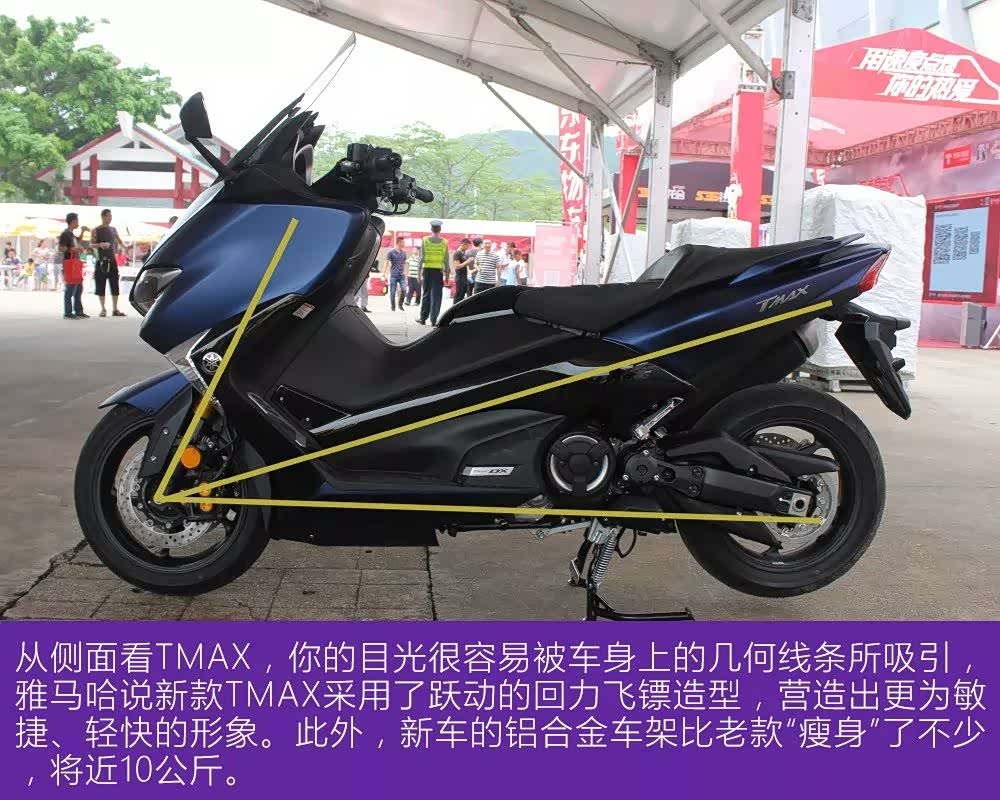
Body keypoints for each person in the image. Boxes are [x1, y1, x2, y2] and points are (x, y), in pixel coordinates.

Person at [90, 208, 127, 316]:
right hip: (101, 260)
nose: (110, 218)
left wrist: (126, 247)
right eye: (108, 216)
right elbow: (91, 244)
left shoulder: (113, 229)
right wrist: (100, 245)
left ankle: (115, 309)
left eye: (111, 216)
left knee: (115, 284)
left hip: (112, 260)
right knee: (100, 284)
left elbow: (119, 241)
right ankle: (103, 309)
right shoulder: (96, 230)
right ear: (103, 217)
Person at [417, 219, 449, 326]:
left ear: (431, 229)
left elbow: (421, 258)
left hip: (427, 271)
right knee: (436, 296)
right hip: (438, 272)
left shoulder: (425, 240)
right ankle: (433, 320)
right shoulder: (444, 242)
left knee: (426, 294)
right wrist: (447, 276)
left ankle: (423, 318)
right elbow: (446, 260)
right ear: (440, 229)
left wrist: (418, 274)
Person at [58, 212, 87, 319]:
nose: (78, 222)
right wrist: (73, 249)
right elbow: (61, 248)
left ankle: (78, 310)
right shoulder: (65, 234)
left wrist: (82, 232)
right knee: (70, 287)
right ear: (73, 221)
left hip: (75, 263)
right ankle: (68, 312)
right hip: (69, 263)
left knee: (78, 287)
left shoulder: (71, 234)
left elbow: (77, 241)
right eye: (77, 220)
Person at [384, 236, 408, 312]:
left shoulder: (404, 253)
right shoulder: (391, 252)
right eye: (403, 242)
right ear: (398, 243)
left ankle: (400, 304)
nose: (404, 244)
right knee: (392, 292)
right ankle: (393, 306)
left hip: (401, 275)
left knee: (404, 289)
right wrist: (384, 273)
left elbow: (403, 263)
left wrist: (405, 272)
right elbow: (386, 262)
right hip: (393, 275)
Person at [452, 237, 472, 303]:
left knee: (462, 294)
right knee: (459, 295)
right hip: (460, 277)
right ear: (463, 244)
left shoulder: (463, 253)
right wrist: (467, 261)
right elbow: (456, 266)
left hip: (464, 276)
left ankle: (459, 307)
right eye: (467, 246)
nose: (468, 248)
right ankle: (454, 308)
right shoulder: (457, 253)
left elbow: (463, 264)